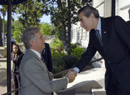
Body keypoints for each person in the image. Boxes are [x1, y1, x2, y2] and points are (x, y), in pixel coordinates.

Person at [69, 6, 130, 95]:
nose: (81, 25)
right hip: (111, 81)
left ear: (92, 16)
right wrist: (75, 70)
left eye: (82, 20)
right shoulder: (93, 34)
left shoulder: (115, 22)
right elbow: (88, 55)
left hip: (126, 79)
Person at [19, 27, 75, 95]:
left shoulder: (34, 57)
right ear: (32, 42)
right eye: (41, 37)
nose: (44, 39)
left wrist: (47, 75)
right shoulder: (30, 61)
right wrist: (67, 79)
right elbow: (48, 87)